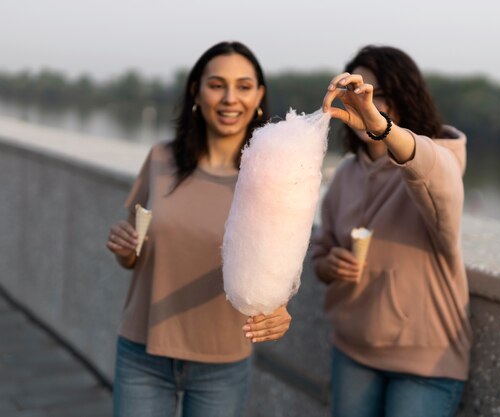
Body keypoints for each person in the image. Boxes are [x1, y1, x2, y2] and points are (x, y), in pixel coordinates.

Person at [106, 41, 292, 417]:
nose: (229, 98)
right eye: (216, 84)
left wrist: (280, 309)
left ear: (259, 96)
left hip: (222, 360)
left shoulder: (271, 180)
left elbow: (276, 271)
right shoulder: (160, 158)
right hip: (143, 351)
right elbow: (133, 255)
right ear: (196, 91)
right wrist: (125, 250)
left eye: (243, 86)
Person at [312, 45, 472, 417]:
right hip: (352, 349)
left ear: (406, 97)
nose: (368, 102)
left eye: (379, 93)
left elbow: (438, 174)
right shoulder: (345, 177)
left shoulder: (439, 158)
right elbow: (319, 255)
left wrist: (381, 126)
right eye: (359, 94)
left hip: (426, 361)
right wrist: (330, 264)